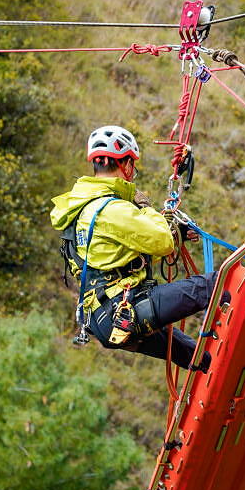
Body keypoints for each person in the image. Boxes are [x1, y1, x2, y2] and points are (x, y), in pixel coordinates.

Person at [50, 125, 219, 372]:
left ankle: (215, 378)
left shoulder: (83, 209)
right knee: (214, 285)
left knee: (192, 354)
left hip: (104, 318)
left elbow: (122, 254)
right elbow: (161, 241)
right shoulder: (112, 209)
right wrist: (145, 207)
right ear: (127, 165)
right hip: (123, 308)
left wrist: (177, 233)